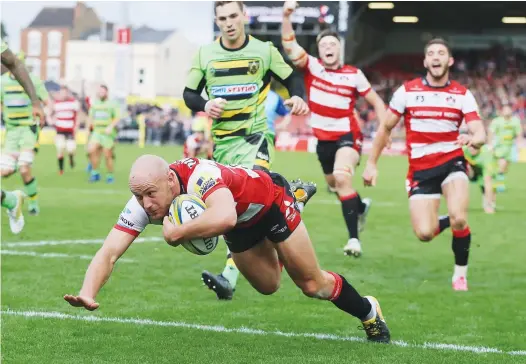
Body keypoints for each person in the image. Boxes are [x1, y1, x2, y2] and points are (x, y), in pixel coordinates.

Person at [64, 155, 391, 343]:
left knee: (310, 285)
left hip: (270, 204)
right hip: (239, 225)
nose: (146, 204)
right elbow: (108, 252)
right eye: (138, 197)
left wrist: (177, 231)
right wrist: (87, 291)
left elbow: (224, 215)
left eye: (150, 194)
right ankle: (289, 222)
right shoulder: (144, 202)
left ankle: (368, 311)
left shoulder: (201, 176)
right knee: (268, 286)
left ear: (169, 181)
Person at [183, 1, 310, 300]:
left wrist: (297, 98)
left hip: (256, 138)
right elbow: (189, 93)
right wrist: (205, 104)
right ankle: (294, 198)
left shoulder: (264, 51)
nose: (228, 23)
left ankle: (228, 277)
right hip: (224, 146)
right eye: (222, 18)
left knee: (249, 203)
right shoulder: (205, 54)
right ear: (217, 22)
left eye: (233, 16)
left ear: (244, 17)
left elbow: (292, 77)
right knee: (241, 213)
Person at [362, 38, 486, 291]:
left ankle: (460, 274)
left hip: (453, 162)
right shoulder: (407, 91)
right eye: (431, 53)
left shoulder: (462, 94)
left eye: (441, 53)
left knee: (460, 218)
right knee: (425, 233)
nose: (436, 57)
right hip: (420, 170)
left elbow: (480, 132)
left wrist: (474, 139)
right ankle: (447, 218)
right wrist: (371, 164)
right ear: (425, 61)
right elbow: (386, 127)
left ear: (449, 61)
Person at [281, 1, 386, 257]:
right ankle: (359, 207)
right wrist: (286, 16)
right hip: (323, 140)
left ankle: (353, 240)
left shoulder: (354, 74)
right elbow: (289, 45)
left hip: (348, 137)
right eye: (324, 45)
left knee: (341, 177)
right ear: (319, 51)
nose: (328, 48)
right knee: (334, 183)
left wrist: (386, 127)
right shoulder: (312, 67)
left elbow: (377, 103)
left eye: (333, 45)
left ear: (340, 49)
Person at [1, 41, 45, 233]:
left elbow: (13, 62)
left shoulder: (32, 79)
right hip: (11, 131)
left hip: (27, 129)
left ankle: (31, 202)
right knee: (6, 170)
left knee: (24, 166)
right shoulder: (3, 83)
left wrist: (36, 102)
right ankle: (11, 200)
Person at [86, 85, 120, 183]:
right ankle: (95, 173)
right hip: (97, 131)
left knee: (107, 155)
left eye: (103, 92)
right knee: (91, 150)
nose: (101, 93)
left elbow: (117, 117)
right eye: (99, 92)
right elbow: (90, 117)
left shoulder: (112, 104)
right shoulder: (95, 104)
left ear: (106, 93)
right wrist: (88, 128)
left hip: (107, 133)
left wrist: (110, 127)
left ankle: (110, 175)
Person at [488, 104, 523, 192]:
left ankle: (497, 178)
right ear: (502, 111)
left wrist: (519, 144)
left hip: (510, 147)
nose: (507, 111)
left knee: (505, 167)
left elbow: (519, 134)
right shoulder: (497, 121)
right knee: (502, 164)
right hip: (499, 146)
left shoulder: (515, 121)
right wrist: (490, 144)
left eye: (508, 109)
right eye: (505, 110)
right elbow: (491, 132)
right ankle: (500, 185)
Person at [50, 84, 81, 175]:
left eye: (65, 92)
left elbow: (78, 115)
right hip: (59, 130)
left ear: (68, 93)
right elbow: (51, 113)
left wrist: (77, 126)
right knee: (60, 149)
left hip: (70, 130)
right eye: (62, 92)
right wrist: (51, 119)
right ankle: (61, 170)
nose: (64, 94)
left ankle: (71, 158)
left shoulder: (73, 102)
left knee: (71, 150)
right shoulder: (56, 103)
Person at [463, 144, 498, 214]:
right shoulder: (463, 150)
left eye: (475, 147)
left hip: (483, 171)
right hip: (470, 168)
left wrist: (489, 206)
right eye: (470, 146)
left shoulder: (487, 156)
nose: (472, 149)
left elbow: (488, 181)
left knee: (486, 186)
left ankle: (489, 204)